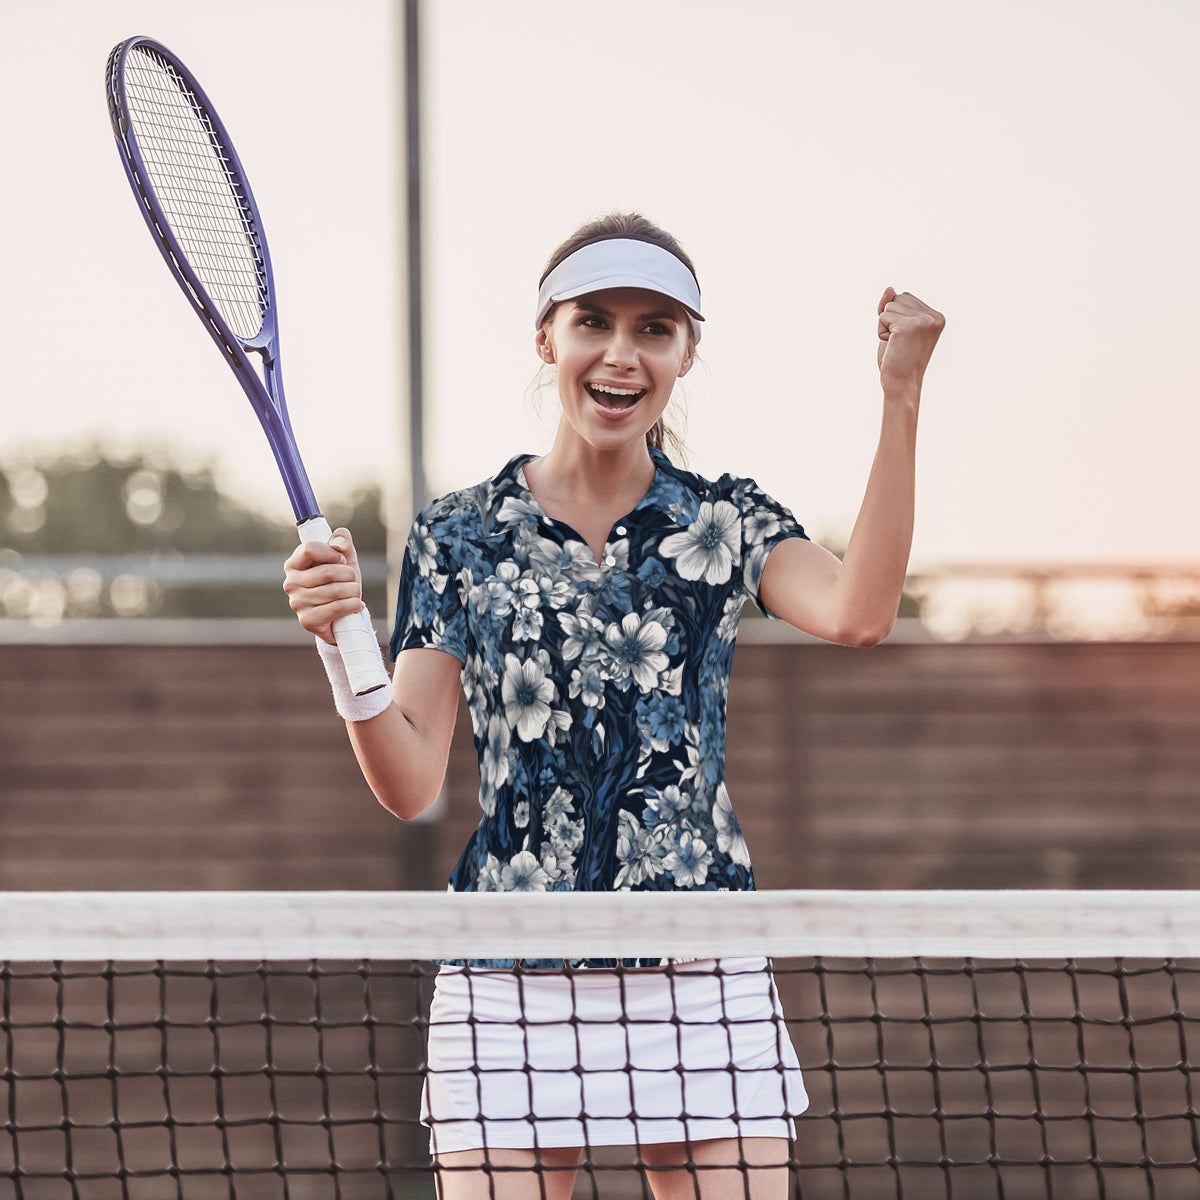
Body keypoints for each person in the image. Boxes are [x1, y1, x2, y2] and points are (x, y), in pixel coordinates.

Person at [284, 212, 944, 1199]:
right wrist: (346, 652)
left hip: (699, 971)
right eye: (594, 321)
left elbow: (858, 613)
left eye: (654, 329)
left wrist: (900, 395)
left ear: (686, 353)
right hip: (506, 978)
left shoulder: (721, 520)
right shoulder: (456, 537)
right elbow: (411, 782)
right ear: (546, 337)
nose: (621, 354)